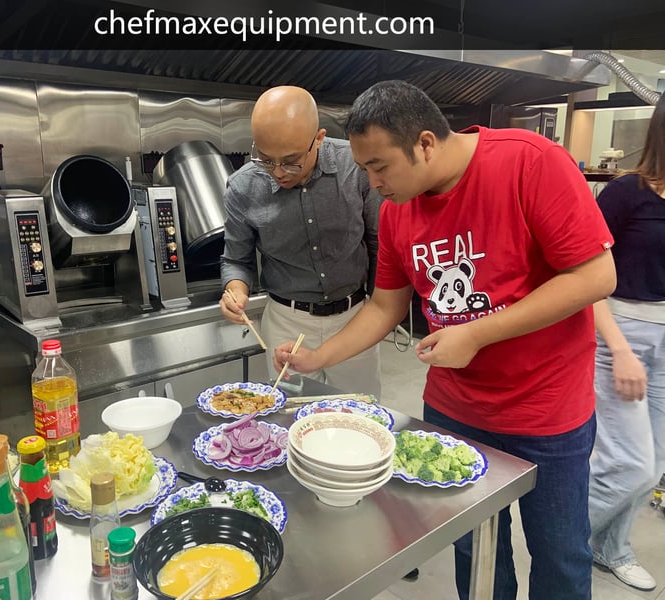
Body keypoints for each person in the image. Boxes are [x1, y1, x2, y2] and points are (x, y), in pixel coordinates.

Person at [274, 80, 617, 600]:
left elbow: (595, 276)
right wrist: (318, 357)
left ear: (426, 143)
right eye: (365, 169)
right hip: (456, 411)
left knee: (559, 554)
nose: (372, 184)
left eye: (380, 166)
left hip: (546, 410)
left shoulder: (531, 163)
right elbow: (386, 305)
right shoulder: (398, 211)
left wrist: (476, 333)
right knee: (474, 549)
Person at [219, 85, 383, 397]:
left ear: (318, 139)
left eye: (291, 160)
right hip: (287, 322)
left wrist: (376, 306)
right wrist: (234, 292)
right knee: (293, 418)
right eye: (265, 159)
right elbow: (236, 261)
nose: (278, 172)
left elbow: (378, 242)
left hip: (353, 317)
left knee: (361, 413)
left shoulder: (355, 166)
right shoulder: (243, 186)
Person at [587, 94, 665, 592]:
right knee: (630, 463)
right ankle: (561, 534)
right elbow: (584, 276)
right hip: (622, 334)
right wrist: (618, 349)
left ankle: (611, 549)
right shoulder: (626, 193)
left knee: (655, 466)